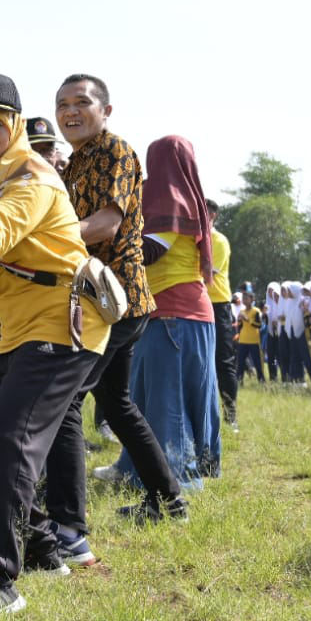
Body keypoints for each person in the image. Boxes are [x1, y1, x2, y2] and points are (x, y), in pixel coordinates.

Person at [0, 71, 108, 618]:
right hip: (18, 328)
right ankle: (42, 546)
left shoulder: (32, 177)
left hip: (64, 322)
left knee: (10, 439)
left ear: (14, 127)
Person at [45, 73, 185, 569]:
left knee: (64, 402)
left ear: (106, 109)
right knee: (118, 404)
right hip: (102, 298)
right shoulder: (76, 161)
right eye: (62, 104)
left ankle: (68, 528)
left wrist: (42, 245)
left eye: (81, 102)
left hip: (115, 299)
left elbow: (105, 224)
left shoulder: (115, 151)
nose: (70, 111)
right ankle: (169, 500)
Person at [127, 135, 220, 485]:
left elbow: (150, 252)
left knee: (167, 399)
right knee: (187, 393)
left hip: (171, 312)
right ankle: (141, 466)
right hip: (189, 313)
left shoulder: (167, 197)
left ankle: (176, 477)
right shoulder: (193, 198)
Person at [205, 201, 238, 428]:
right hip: (199, 304)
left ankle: (230, 415)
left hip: (218, 304)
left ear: (213, 215)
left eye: (203, 211)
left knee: (223, 361)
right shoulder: (194, 239)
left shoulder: (218, 241)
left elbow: (206, 274)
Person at [236, 294, 265, 383]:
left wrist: (248, 319)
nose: (245, 301)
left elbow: (259, 325)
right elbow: (240, 326)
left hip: (253, 340)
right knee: (240, 362)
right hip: (243, 340)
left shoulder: (256, 311)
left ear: (252, 299)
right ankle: (239, 380)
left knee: (257, 362)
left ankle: (261, 380)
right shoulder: (242, 311)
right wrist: (239, 320)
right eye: (243, 299)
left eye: (246, 299)